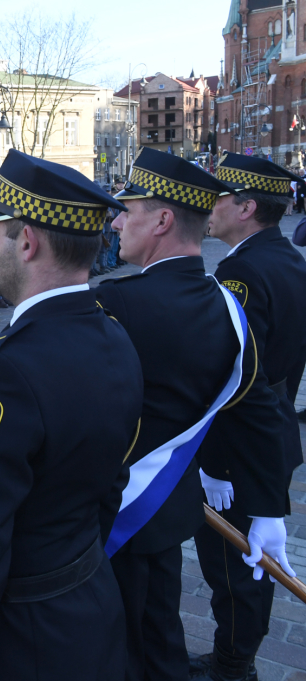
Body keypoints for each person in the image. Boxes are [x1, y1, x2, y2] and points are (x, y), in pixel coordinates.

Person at [0, 149, 143, 681]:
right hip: (90, 600)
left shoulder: (1, 371)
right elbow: (111, 481)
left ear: (27, 241)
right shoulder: (115, 332)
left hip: (26, 638)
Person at [97, 148, 289, 681]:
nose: (115, 221)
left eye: (126, 210)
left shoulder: (118, 303)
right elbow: (259, 410)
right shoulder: (227, 304)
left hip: (113, 512)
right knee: (159, 635)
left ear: (161, 220)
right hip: (168, 509)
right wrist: (270, 510)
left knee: (118, 644)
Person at [188, 153, 306, 681]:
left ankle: (234, 665)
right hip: (273, 434)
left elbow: (237, 377)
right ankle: (237, 655)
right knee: (249, 561)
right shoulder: (288, 259)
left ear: (248, 206)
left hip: (240, 449)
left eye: (219, 199)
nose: (209, 209)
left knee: (234, 567)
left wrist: (213, 459)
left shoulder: (240, 269)